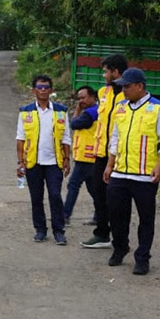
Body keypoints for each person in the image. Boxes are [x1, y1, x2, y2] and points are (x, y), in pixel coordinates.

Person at [102, 68, 160, 275]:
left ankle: (142, 257)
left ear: (140, 86)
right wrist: (109, 164)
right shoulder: (121, 107)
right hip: (120, 173)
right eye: (122, 86)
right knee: (116, 215)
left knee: (146, 218)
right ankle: (120, 247)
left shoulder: (159, 108)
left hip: (144, 175)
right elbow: (115, 138)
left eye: (127, 86)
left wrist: (159, 167)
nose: (123, 90)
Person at [16, 75, 71, 245]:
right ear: (34, 90)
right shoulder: (26, 111)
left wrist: (67, 159)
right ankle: (40, 230)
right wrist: (20, 162)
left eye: (46, 87)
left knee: (55, 195)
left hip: (54, 162)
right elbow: (20, 138)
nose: (43, 90)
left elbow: (66, 138)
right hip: (33, 162)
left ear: (51, 90)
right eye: (39, 87)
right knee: (36, 197)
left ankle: (59, 231)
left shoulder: (61, 111)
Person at [81, 54, 128, 249]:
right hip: (101, 154)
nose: (103, 75)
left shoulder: (129, 94)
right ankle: (102, 233)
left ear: (115, 72)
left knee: (117, 199)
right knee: (99, 195)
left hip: (120, 155)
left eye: (106, 71)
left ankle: (120, 238)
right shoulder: (103, 93)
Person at [64, 86, 99, 224]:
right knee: (93, 189)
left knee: (73, 184)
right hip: (91, 156)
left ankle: (65, 215)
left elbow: (73, 124)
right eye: (78, 98)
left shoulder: (89, 113)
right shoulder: (96, 111)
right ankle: (100, 216)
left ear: (92, 97)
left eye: (83, 97)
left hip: (86, 157)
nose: (80, 101)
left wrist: (77, 110)